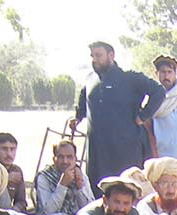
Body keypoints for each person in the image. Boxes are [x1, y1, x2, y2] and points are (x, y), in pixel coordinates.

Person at [68, 42, 163, 194]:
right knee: (99, 191)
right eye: (92, 56)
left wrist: (143, 116)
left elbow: (158, 92)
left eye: (99, 55)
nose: (95, 60)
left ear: (111, 55)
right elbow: (84, 97)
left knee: (129, 190)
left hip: (126, 149)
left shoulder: (130, 78)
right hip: (98, 151)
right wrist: (78, 117)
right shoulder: (91, 79)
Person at [33, 139, 93, 215]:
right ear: (54, 159)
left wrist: (80, 187)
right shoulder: (44, 177)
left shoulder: (81, 176)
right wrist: (62, 185)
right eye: (61, 157)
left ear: (75, 159)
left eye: (69, 157)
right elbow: (47, 211)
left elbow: (89, 209)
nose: (65, 161)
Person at [0, 133, 29, 212]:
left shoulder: (16, 170)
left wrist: (13, 211)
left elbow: (21, 202)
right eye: (4, 149)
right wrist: (5, 179)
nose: (9, 154)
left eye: (12, 149)